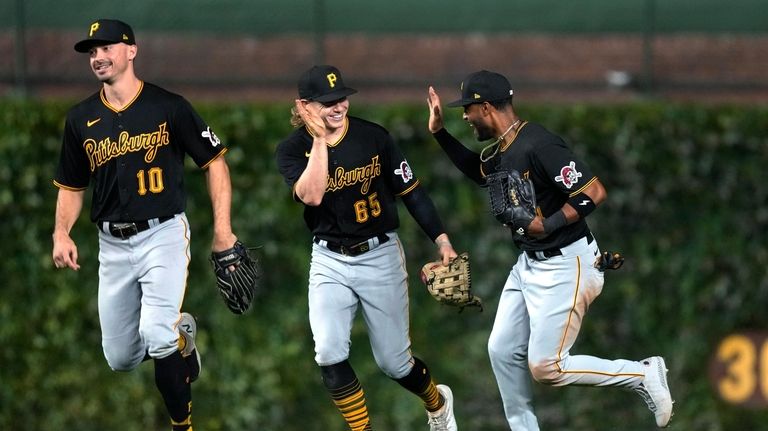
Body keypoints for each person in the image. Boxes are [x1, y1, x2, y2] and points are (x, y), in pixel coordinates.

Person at [426, 70, 674, 429]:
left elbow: (593, 192)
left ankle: (642, 374)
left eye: (468, 108)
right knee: (501, 350)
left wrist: (548, 223)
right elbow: (480, 172)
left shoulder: (539, 144)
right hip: (529, 263)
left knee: (546, 367)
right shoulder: (504, 147)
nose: (464, 115)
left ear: (485, 107)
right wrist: (439, 133)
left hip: (567, 263)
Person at [51, 19, 239, 431]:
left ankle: (182, 426)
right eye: (92, 51)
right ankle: (182, 342)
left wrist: (222, 231)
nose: (98, 56)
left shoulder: (167, 106)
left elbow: (215, 161)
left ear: (131, 50)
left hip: (163, 233)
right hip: (112, 246)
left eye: (106, 48)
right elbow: (71, 185)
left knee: (156, 332)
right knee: (120, 359)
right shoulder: (80, 118)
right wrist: (61, 231)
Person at [276, 65, 459, 431]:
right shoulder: (292, 150)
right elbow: (311, 196)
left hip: (380, 256)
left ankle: (438, 405)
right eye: (327, 102)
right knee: (328, 351)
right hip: (329, 258)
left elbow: (413, 193)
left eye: (340, 97)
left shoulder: (373, 138)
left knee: (395, 364)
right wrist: (317, 138)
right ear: (304, 106)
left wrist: (443, 241)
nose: (338, 106)